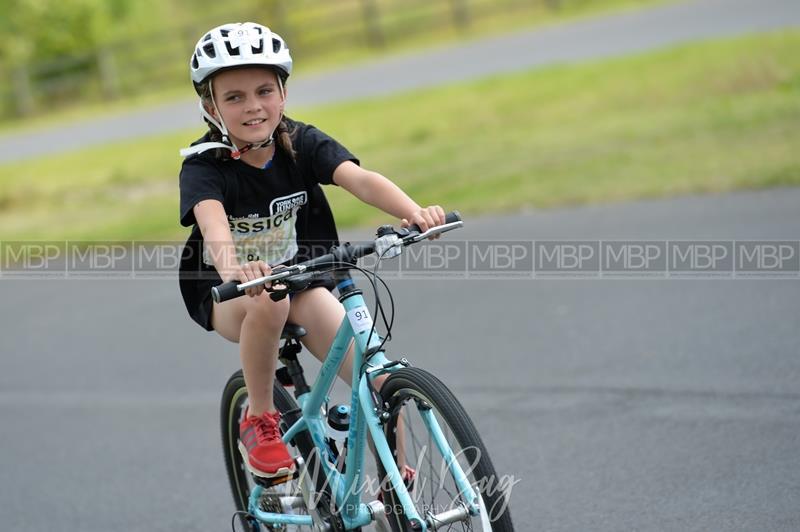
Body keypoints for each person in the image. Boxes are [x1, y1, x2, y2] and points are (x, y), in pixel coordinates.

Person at [178, 22, 444, 479]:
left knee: (375, 375)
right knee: (269, 298)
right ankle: (259, 419)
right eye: (235, 97)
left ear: (283, 92)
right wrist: (236, 269)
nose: (253, 106)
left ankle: (396, 489)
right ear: (211, 107)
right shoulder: (205, 166)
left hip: (301, 276)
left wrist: (414, 212)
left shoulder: (299, 142)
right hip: (231, 292)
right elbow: (213, 224)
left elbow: (356, 178)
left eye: (264, 90)